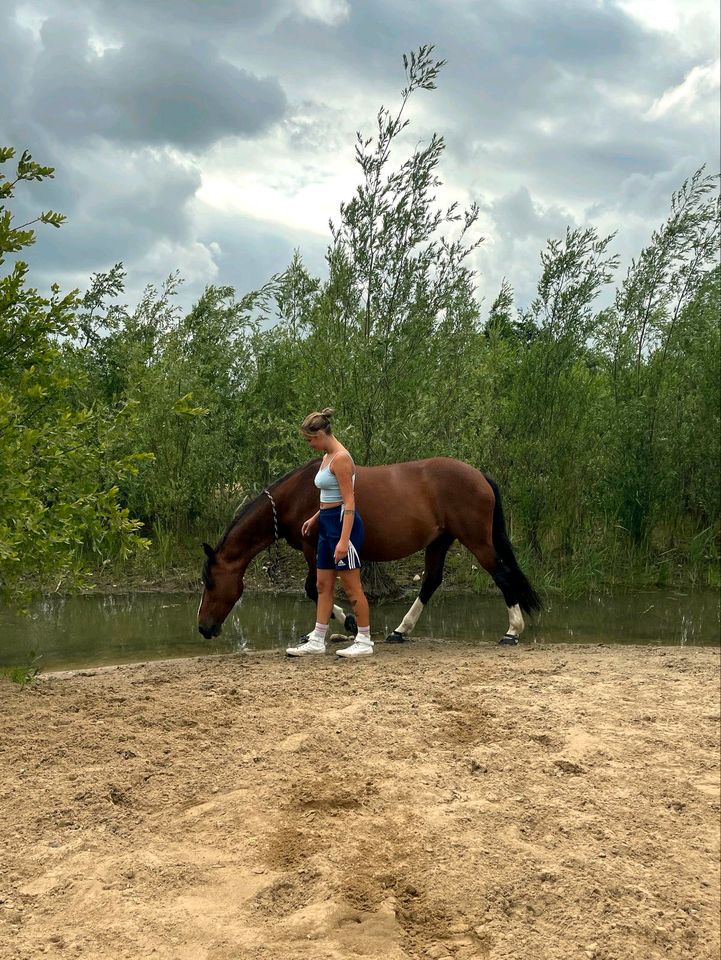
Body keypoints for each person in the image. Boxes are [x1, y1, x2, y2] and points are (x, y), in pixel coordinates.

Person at [286, 408, 373, 659]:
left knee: (351, 586)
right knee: (322, 585)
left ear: (322, 433)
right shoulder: (326, 456)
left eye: (311, 439)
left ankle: (365, 639)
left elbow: (349, 502)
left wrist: (344, 541)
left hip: (343, 526)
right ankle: (317, 638)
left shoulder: (341, 459)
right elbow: (328, 496)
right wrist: (315, 518)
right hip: (326, 523)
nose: (309, 444)